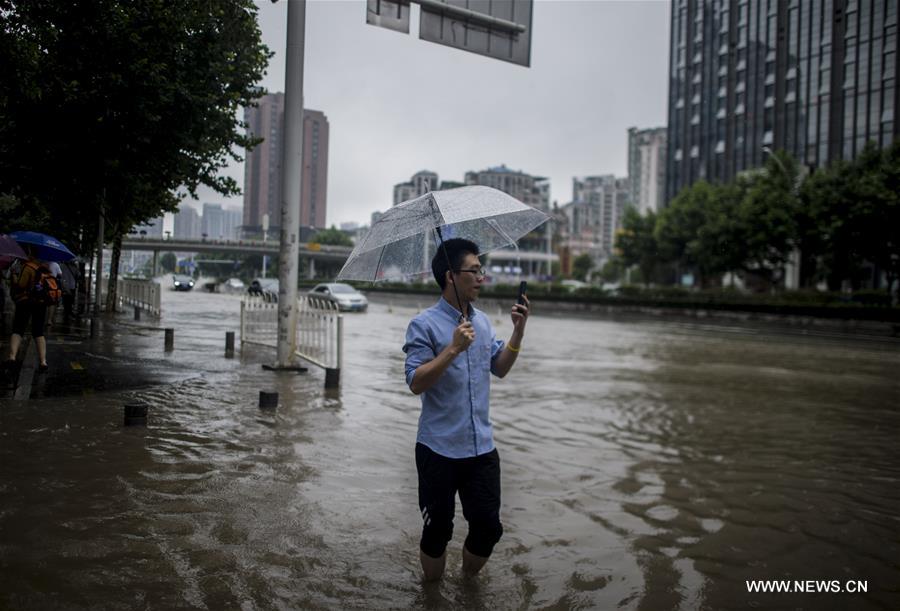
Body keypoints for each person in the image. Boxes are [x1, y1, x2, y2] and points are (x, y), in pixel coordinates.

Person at [402, 238, 530, 582]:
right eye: (474, 271)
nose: (481, 277)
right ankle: (431, 595)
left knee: (489, 528)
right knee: (437, 532)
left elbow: (500, 368)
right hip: (437, 449)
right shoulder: (424, 325)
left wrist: (518, 332)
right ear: (450, 276)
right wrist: (453, 349)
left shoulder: (484, 323)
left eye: (480, 270)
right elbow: (415, 381)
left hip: (481, 449)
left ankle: (465, 586)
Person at [4, 245, 50, 374]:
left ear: (29, 254)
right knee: (38, 332)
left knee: (18, 329)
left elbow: (21, 285)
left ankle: (12, 358)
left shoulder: (27, 267)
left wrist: (14, 277)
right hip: (41, 303)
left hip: (26, 302)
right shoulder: (44, 268)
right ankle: (43, 361)